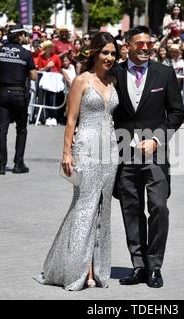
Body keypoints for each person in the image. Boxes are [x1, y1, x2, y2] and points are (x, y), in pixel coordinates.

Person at [35, 32, 119, 291]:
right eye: (104, 52)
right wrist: (66, 153)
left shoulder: (115, 80)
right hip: (86, 149)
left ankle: (95, 269)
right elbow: (71, 120)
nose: (109, 57)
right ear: (94, 52)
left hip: (110, 151)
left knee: (102, 211)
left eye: (113, 53)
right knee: (84, 208)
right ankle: (73, 270)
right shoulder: (81, 81)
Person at [112, 26, 184, 288]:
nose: (145, 48)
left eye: (148, 43)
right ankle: (139, 265)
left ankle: (155, 266)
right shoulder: (114, 74)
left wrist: (157, 140)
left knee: (159, 207)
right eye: (139, 44)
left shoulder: (164, 74)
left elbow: (177, 113)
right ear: (128, 46)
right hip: (124, 155)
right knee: (131, 210)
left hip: (156, 154)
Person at [0, 24, 37, 175]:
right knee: (21, 129)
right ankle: (18, 164)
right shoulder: (25, 54)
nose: (25, 37)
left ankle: (1, 166)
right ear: (19, 36)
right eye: (23, 34)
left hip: (2, 93)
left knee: (2, 129)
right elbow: (33, 76)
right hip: (19, 94)